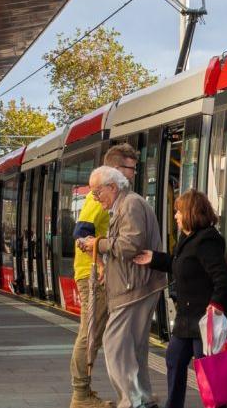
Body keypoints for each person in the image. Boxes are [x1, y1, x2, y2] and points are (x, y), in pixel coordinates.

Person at [132, 189, 227, 408]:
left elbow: (222, 276)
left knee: (208, 371)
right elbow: (180, 264)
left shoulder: (208, 240)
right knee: (174, 360)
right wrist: (155, 259)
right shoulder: (187, 238)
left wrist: (216, 304)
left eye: (178, 211)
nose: (176, 216)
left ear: (190, 213)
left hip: (205, 318)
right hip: (187, 317)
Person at [79, 165, 164, 408]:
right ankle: (142, 398)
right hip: (135, 285)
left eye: (97, 192)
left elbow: (129, 245)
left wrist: (98, 243)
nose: (96, 198)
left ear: (112, 187)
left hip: (134, 287)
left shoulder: (130, 205)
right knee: (133, 348)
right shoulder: (126, 205)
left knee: (115, 345)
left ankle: (132, 400)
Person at [69, 143, 141, 408]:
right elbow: (80, 233)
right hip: (91, 275)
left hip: (99, 273)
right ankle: (81, 395)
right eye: (130, 168)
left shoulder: (116, 197)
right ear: (115, 169)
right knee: (90, 333)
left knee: (101, 333)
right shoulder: (96, 198)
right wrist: (99, 263)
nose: (133, 174)